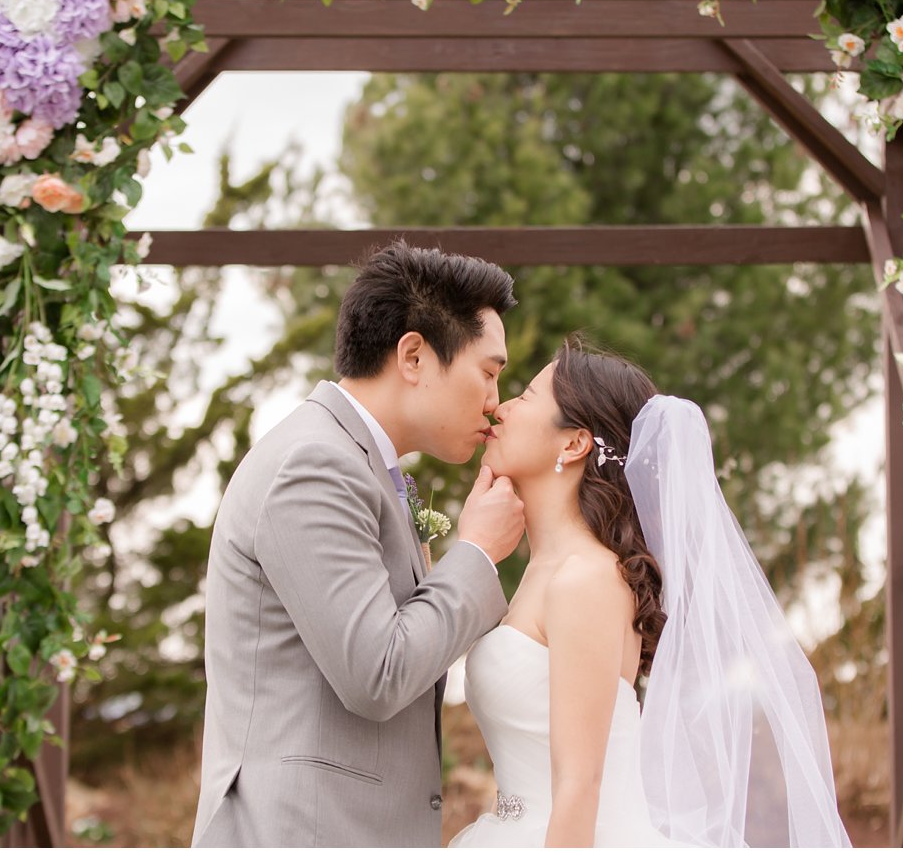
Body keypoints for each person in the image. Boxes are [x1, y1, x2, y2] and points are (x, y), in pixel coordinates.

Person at [449, 337, 852, 848]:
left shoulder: (586, 579)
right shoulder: (544, 569)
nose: (500, 407)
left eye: (525, 396)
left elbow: (579, 786)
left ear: (573, 443)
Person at [191, 241, 527, 848]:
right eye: (489, 372)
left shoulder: (365, 464)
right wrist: (476, 552)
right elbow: (378, 672)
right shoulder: (317, 463)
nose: (494, 402)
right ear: (415, 356)